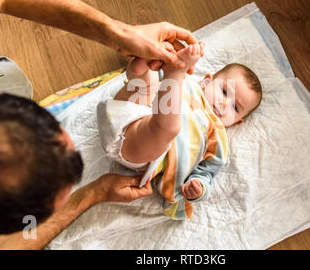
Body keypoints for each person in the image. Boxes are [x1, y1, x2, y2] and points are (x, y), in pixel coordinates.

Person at [0, 0, 197, 250]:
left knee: (15, 79)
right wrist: (89, 195)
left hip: (134, 124)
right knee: (166, 127)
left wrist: (120, 33)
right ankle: (159, 79)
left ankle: (146, 79)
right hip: (139, 142)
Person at [97, 40, 263, 219]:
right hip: (126, 112)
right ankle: (141, 65)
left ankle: (161, 75)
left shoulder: (217, 137)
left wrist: (198, 188)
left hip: (141, 148)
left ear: (237, 122)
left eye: (235, 108)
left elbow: (206, 174)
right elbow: (159, 74)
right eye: (224, 91)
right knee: (148, 82)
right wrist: (162, 58)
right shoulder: (188, 82)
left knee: (167, 128)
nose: (224, 103)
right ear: (207, 81)